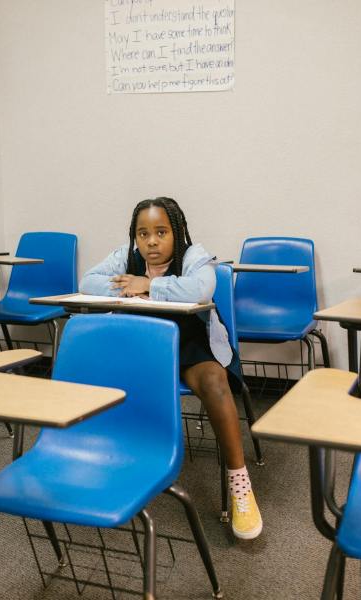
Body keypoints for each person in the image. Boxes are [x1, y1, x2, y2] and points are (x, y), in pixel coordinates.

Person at [80, 197, 262, 539]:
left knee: (215, 381)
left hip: (189, 344)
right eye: (143, 233)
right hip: (145, 347)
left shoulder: (193, 255)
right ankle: (103, 465)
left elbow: (202, 287)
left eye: (161, 232)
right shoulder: (126, 255)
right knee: (96, 374)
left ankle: (240, 483)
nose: (151, 241)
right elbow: (87, 281)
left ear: (176, 232)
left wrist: (147, 285)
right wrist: (125, 284)